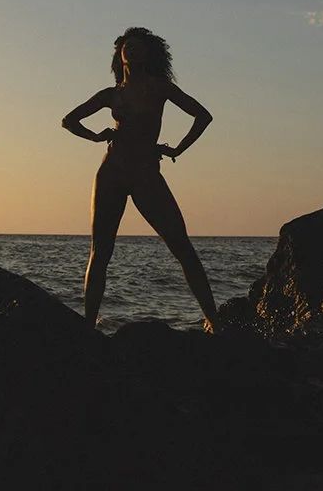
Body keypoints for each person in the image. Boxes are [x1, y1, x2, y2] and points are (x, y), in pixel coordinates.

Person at [61, 26, 219, 333]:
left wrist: (178, 149)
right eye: (126, 47)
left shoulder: (160, 88)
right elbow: (69, 120)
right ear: (119, 56)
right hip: (112, 173)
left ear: (148, 55)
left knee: (182, 247)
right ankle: (88, 327)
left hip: (146, 173)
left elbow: (203, 116)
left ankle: (215, 322)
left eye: (137, 46)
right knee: (100, 251)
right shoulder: (111, 95)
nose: (131, 50)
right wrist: (95, 136)